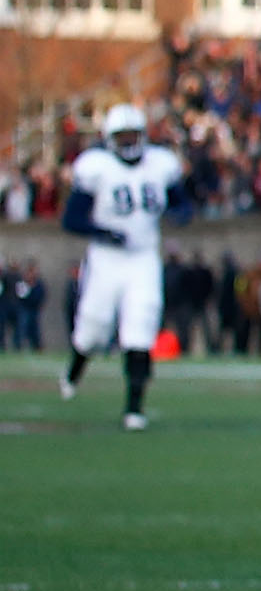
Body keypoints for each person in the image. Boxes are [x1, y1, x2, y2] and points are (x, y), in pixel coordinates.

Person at [62, 103, 189, 430]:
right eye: (123, 136)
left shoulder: (160, 164)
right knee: (93, 326)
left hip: (144, 256)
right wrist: (103, 232)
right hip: (106, 258)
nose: (130, 141)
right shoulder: (97, 167)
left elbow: (182, 202)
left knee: (141, 326)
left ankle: (134, 407)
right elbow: (72, 219)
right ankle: (74, 369)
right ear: (109, 139)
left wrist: (181, 214)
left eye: (134, 134)